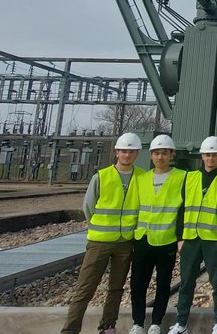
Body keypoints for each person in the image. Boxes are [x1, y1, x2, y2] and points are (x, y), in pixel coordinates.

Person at [62, 132, 145, 334]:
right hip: (100, 241)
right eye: (124, 151)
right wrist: (99, 227)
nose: (127, 155)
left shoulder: (142, 177)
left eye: (131, 151)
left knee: (116, 288)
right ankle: (71, 329)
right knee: (85, 287)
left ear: (137, 154)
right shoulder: (102, 176)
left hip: (125, 241)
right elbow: (88, 207)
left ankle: (108, 326)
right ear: (117, 152)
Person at [168, 136, 217, 334]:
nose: (210, 158)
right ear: (201, 156)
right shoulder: (190, 177)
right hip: (191, 239)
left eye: (214, 154)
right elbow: (182, 208)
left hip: (213, 239)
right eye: (207, 154)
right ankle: (181, 323)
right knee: (186, 282)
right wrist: (180, 237)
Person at [130, 134, 187, 334]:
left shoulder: (182, 177)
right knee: (138, 283)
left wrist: (181, 237)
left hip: (166, 239)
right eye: (156, 153)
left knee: (163, 283)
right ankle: (137, 323)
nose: (160, 157)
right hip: (143, 239)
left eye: (164, 152)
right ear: (151, 155)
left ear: (172, 154)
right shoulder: (141, 178)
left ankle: (155, 323)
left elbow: (183, 210)